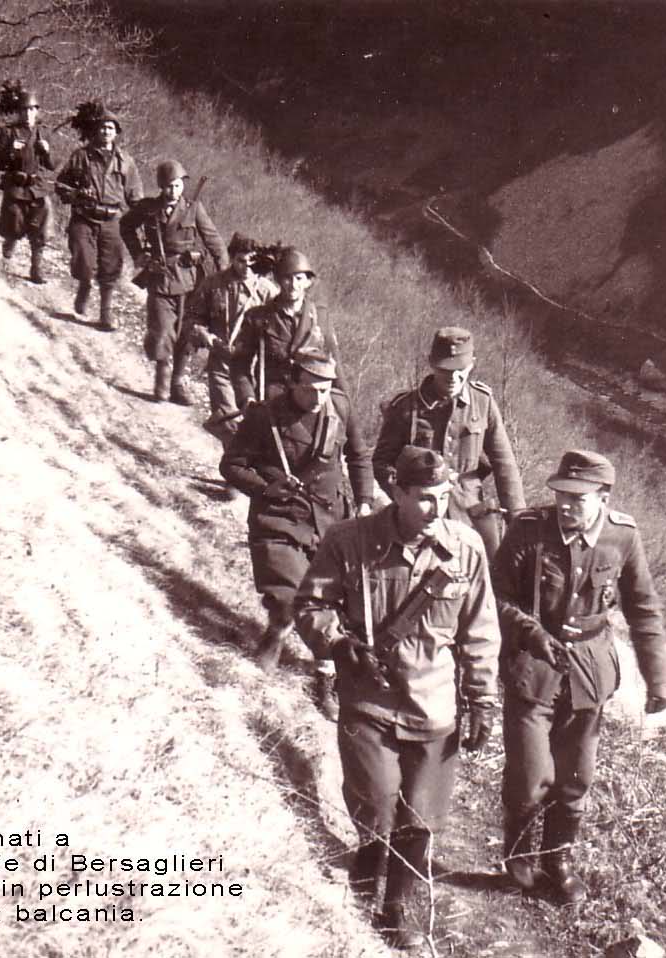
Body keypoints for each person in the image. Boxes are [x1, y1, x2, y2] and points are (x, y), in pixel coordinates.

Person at [294, 446, 500, 950]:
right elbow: (311, 605)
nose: (437, 508)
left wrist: (481, 700)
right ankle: (368, 853)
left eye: (444, 496)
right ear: (397, 492)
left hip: (434, 707)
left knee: (421, 819)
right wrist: (338, 644)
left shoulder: (466, 549)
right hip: (370, 702)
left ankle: (398, 907)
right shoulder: (351, 540)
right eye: (425, 499)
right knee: (378, 804)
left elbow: (479, 631)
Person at [493, 450, 666, 903]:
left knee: (577, 777)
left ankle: (557, 861)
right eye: (561, 494)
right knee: (531, 775)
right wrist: (529, 632)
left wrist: (659, 679)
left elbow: (643, 610)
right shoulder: (529, 529)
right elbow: (493, 597)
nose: (566, 505)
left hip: (590, 672)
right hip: (531, 668)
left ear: (604, 498)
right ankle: (519, 858)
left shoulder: (623, 537)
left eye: (578, 497)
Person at [219, 348, 374, 720]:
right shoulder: (265, 415)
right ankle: (278, 627)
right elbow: (232, 465)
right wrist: (264, 489)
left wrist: (365, 501)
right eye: (311, 389)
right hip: (279, 517)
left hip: (329, 517)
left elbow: (359, 455)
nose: (319, 397)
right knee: (289, 595)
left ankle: (324, 675)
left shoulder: (340, 408)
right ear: (293, 382)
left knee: (331, 600)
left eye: (325, 389)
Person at [373, 326, 525, 559]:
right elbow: (381, 463)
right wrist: (403, 499)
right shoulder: (405, 407)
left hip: (470, 512)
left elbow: (505, 464)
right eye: (445, 370)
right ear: (432, 364)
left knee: (487, 575)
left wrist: (517, 518)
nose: (453, 377)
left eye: (460, 370)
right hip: (419, 511)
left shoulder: (482, 402)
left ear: (472, 364)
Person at [122, 159, 229, 403]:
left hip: (191, 280)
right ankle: (162, 379)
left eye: (178, 185)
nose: (174, 191)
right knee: (161, 330)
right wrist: (139, 254)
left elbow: (214, 240)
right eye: (169, 186)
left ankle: (178, 383)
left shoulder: (194, 208)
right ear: (161, 186)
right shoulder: (149, 208)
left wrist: (223, 270)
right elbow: (126, 226)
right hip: (160, 276)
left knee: (188, 333)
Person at [54, 101, 143, 330]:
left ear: (117, 133)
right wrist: (77, 194)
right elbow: (61, 184)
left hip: (112, 220)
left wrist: (146, 215)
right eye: (102, 127)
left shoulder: (126, 162)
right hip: (84, 217)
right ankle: (84, 285)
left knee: (110, 267)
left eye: (111, 128)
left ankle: (105, 315)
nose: (106, 132)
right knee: (84, 261)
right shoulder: (81, 156)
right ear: (95, 130)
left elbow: (135, 196)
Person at [184, 233, 278, 441]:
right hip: (222, 362)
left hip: (254, 369)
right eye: (240, 261)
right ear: (232, 258)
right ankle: (233, 467)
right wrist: (205, 336)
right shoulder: (214, 284)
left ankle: (241, 463)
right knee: (227, 419)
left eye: (251, 262)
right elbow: (192, 316)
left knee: (254, 421)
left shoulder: (268, 293)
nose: (246, 267)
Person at [229, 247, 350, 405]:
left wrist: (347, 411)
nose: (293, 285)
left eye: (299, 279)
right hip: (274, 401)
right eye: (287, 278)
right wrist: (247, 397)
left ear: (308, 282)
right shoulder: (258, 317)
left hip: (312, 400)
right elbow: (239, 364)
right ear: (278, 280)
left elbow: (335, 366)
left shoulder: (320, 316)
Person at [0, 82, 53, 284]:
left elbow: (53, 165)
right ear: (18, 112)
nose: (28, 114)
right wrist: (10, 151)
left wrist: (47, 151)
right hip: (16, 186)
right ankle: (8, 249)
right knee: (14, 225)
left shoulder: (43, 133)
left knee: (40, 230)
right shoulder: (8, 133)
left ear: (37, 111)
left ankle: (36, 269)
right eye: (24, 110)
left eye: (32, 110)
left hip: (38, 187)